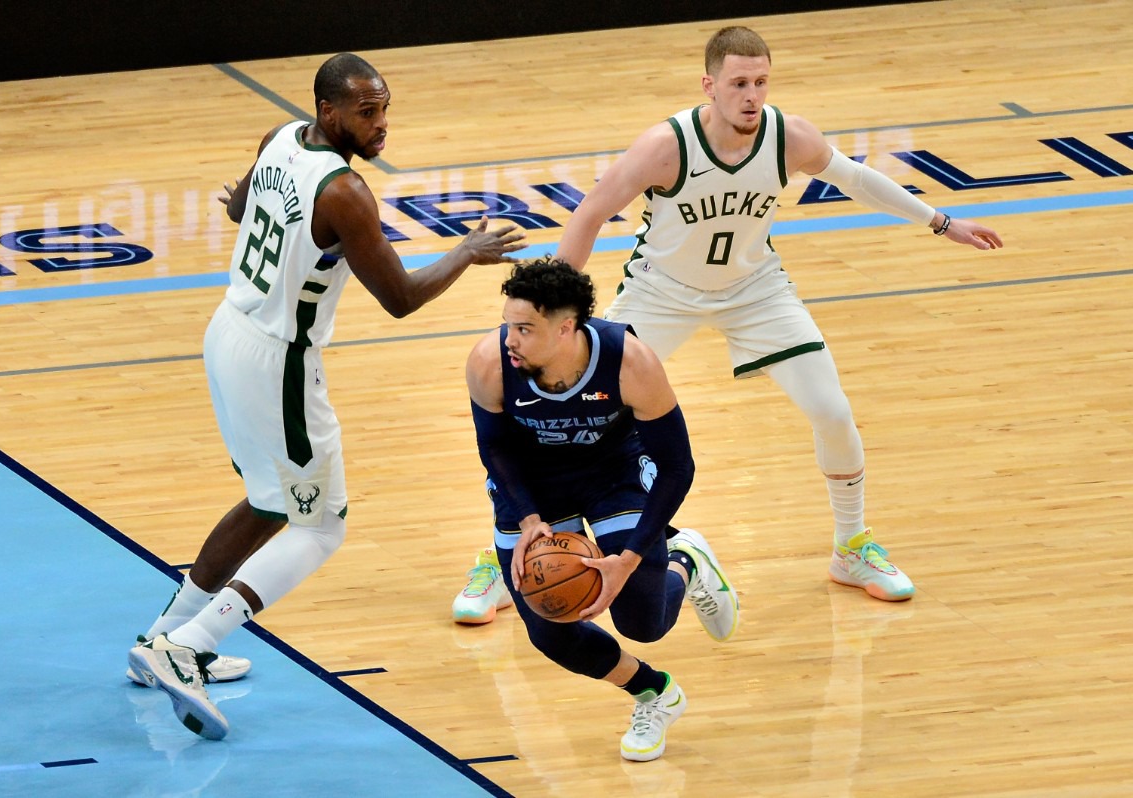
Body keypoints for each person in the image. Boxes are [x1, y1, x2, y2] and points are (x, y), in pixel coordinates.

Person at [126, 52, 526, 741]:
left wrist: (255, 219)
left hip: (228, 332)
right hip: (278, 360)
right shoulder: (345, 193)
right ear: (329, 112)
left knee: (266, 502)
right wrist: (466, 252)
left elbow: (241, 205)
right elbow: (399, 299)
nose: (382, 125)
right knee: (320, 524)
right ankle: (189, 647)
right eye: (367, 112)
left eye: (385, 109)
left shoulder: (279, 138)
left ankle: (161, 637)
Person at [549, 25, 1005, 602]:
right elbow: (589, 214)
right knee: (569, 407)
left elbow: (858, 179)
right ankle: (509, 547)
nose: (751, 95)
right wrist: (554, 309)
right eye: (739, 83)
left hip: (755, 291)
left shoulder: (788, 137)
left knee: (832, 410)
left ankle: (852, 548)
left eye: (761, 82)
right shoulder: (666, 146)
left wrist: (941, 222)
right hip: (660, 291)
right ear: (709, 85)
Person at [467, 256, 738, 762]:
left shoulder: (630, 362)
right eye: (508, 325)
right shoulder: (489, 362)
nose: (510, 340)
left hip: (612, 473)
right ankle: (654, 693)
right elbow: (495, 448)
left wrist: (630, 559)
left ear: (566, 328)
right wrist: (527, 518)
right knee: (550, 627)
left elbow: (677, 467)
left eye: (524, 329)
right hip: (534, 486)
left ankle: (688, 561)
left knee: (643, 624)